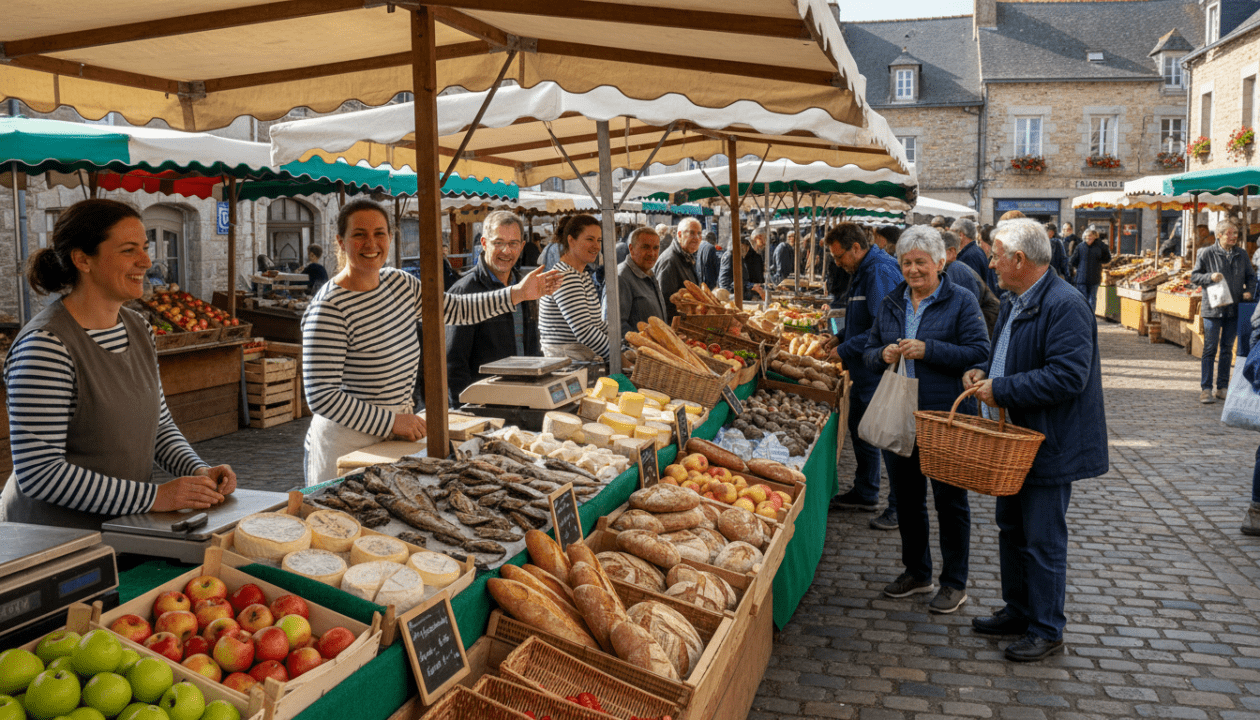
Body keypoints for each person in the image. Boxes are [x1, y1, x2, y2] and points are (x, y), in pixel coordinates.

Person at [0, 199, 237, 529]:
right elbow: (40, 474)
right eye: (129, 250)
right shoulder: (46, 346)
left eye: (145, 247)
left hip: (120, 528)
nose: (146, 260)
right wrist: (155, 497)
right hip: (50, 542)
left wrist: (196, 471)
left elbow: (158, 425)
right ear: (83, 259)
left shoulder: (139, 327)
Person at [302, 199, 560, 484]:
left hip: (396, 434)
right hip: (346, 443)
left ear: (390, 237)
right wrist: (392, 421)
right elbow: (321, 395)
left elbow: (456, 309)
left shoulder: (400, 284)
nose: (371, 243)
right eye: (359, 234)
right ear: (341, 241)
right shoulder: (329, 307)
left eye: (379, 233)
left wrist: (517, 294)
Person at [963, 218, 1108, 663]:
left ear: (1019, 260)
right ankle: (1019, 609)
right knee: (1011, 527)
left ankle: (1047, 628)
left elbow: (1068, 375)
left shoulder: (1064, 304)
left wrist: (1002, 390)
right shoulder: (1015, 299)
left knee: (1043, 539)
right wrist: (987, 372)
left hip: (1048, 442)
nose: (991, 263)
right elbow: (1005, 353)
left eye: (996, 255)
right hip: (1015, 439)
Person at [865, 226, 990, 611]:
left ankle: (954, 582)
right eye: (907, 262)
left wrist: (928, 349)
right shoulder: (891, 302)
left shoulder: (961, 300)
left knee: (950, 502)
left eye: (921, 262)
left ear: (940, 261)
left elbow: (978, 351)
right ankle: (917, 572)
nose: (914, 270)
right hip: (901, 413)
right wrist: (882, 355)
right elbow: (869, 351)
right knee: (907, 498)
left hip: (944, 416)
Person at [826, 223, 903, 523]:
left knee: (887, 440)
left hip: (877, 369)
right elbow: (863, 319)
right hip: (864, 369)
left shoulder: (878, 272)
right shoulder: (862, 271)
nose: (837, 263)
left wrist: (845, 348)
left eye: (839, 256)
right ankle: (866, 490)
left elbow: (882, 327)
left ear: (856, 248)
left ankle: (898, 507)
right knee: (863, 431)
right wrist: (840, 336)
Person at [446, 211, 540, 405]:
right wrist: (466, 411)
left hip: (525, 398)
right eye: (498, 242)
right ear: (484, 243)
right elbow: (453, 364)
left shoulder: (525, 286)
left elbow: (531, 347)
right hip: (484, 406)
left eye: (513, 243)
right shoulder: (465, 290)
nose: (506, 251)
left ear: (522, 247)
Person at [1191, 220, 1256, 403]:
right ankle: (1205, 389)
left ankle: (1222, 387)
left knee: (1227, 349)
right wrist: (1209, 276)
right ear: (1219, 235)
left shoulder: (1241, 254)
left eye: (1235, 233)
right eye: (1230, 233)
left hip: (1234, 308)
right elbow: (1194, 276)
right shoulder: (1206, 253)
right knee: (1210, 349)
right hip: (1213, 309)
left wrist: (1249, 291)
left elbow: (1251, 276)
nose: (1234, 236)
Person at [539, 214, 610, 362]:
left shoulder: (582, 275)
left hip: (579, 361)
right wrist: (618, 356)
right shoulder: (565, 276)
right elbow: (584, 331)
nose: (597, 246)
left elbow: (596, 325)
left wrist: (621, 344)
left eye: (599, 240)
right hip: (565, 367)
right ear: (571, 241)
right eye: (590, 239)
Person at [942, 230, 1000, 336]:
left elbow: (964, 313)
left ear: (951, 252)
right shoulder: (952, 269)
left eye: (934, 252)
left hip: (985, 332)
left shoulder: (956, 269)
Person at [618, 227, 668, 337]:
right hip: (638, 352)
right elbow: (616, 325)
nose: (652, 253)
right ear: (631, 249)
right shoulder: (621, 278)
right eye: (645, 247)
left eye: (656, 248)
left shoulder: (649, 273)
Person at [655, 218, 703, 322]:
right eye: (691, 233)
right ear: (680, 235)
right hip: (676, 327)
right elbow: (664, 304)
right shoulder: (669, 261)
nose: (696, 238)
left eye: (699, 234)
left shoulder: (686, 257)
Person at [1070, 228, 1112, 313]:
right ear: (1084, 236)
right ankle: (1084, 316)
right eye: (1088, 235)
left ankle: (1090, 317)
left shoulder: (1100, 246)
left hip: (1094, 278)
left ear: (1095, 237)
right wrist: (1080, 268)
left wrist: (1100, 261)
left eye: (1091, 235)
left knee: (1092, 299)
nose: (1089, 237)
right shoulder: (1080, 247)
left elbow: (1107, 258)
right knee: (1083, 299)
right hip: (1082, 279)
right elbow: (1072, 261)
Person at [719, 228, 767, 301]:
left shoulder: (739, 257)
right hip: (731, 298)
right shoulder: (729, 256)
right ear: (741, 245)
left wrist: (752, 288)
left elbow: (742, 280)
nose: (747, 251)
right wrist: (751, 286)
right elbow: (725, 282)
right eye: (747, 248)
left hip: (741, 296)